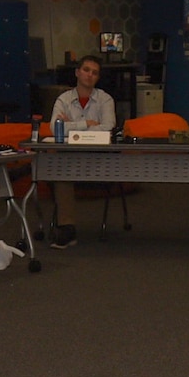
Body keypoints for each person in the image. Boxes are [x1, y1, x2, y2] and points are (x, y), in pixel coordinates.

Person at [46, 54, 116, 249]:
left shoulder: (105, 100)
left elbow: (108, 127)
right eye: (86, 70)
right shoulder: (63, 99)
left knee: (63, 167)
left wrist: (72, 126)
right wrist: (86, 124)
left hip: (99, 158)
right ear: (77, 72)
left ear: (98, 78)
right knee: (60, 171)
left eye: (94, 73)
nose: (89, 75)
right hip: (70, 158)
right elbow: (55, 128)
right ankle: (68, 228)